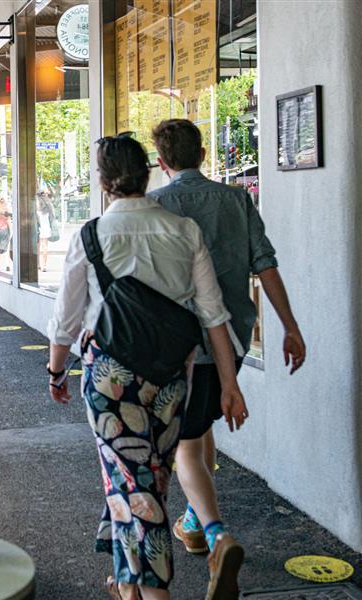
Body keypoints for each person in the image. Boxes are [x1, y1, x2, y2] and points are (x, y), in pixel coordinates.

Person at [46, 134, 247, 600]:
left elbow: (65, 319)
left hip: (110, 381)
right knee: (145, 477)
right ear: (147, 173)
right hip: (173, 381)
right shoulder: (183, 230)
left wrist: (57, 372)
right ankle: (126, 584)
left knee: (135, 482)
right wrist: (230, 384)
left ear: (103, 181)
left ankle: (154, 594)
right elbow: (213, 314)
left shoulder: (91, 234)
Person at [148, 119, 306, 583]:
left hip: (183, 347)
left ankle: (214, 535)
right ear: (201, 153)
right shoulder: (238, 200)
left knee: (186, 444)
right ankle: (196, 523)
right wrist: (290, 327)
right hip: (233, 339)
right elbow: (266, 266)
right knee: (202, 425)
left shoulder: (158, 205)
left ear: (162, 162)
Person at [36, 194, 54, 272]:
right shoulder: (48, 210)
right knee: (45, 247)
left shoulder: (37, 211)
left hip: (38, 229)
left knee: (37, 247)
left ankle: (38, 264)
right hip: (46, 229)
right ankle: (44, 265)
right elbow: (52, 219)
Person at [0, 195, 12, 272]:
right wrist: (11, 232)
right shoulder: (6, 211)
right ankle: (7, 265)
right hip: (5, 231)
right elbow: (8, 222)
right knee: (6, 248)